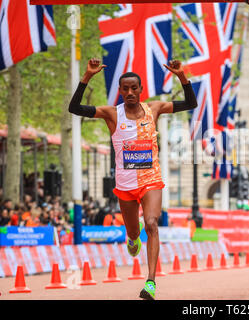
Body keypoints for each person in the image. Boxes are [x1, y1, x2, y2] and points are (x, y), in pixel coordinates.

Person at [68, 58, 197, 300]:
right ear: (120, 91)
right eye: (124, 89)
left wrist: (181, 76)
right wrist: (86, 77)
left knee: (151, 223)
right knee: (135, 232)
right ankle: (133, 238)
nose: (129, 92)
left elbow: (191, 103)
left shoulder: (155, 108)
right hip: (125, 186)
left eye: (133, 88)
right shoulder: (111, 113)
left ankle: (150, 283)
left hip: (151, 180)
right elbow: (74, 108)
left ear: (140, 90)